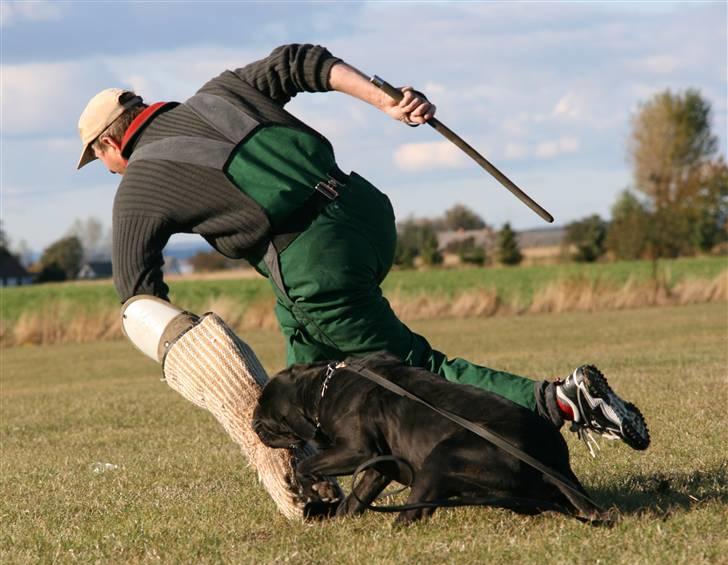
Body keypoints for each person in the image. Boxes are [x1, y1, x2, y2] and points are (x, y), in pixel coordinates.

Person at [77, 43, 649, 452]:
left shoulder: (139, 187)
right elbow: (302, 61)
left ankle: (562, 400)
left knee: (413, 369)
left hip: (314, 259)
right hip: (366, 212)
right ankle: (311, 470)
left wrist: (189, 356)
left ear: (110, 141)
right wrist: (388, 100)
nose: (107, 170)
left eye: (99, 159)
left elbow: (137, 299)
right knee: (306, 367)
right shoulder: (220, 92)